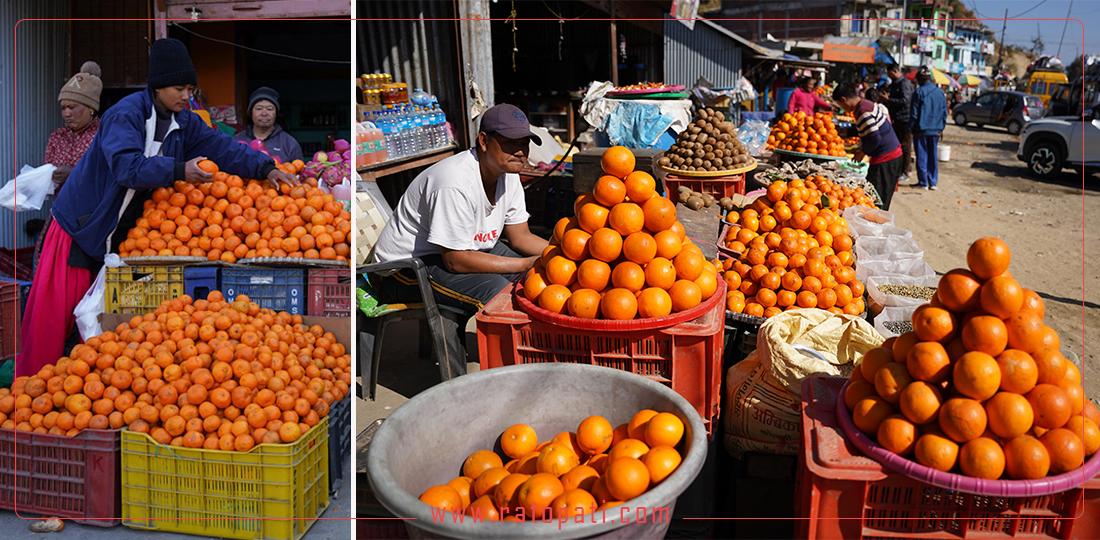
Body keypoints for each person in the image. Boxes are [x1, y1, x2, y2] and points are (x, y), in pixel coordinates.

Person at [16, 38, 298, 377]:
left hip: (117, 237)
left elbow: (223, 147)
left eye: (190, 89)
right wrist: (180, 170)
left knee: (95, 331)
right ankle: (30, 396)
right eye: (179, 87)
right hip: (79, 226)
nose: (185, 96)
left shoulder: (186, 120)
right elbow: (126, 167)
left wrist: (265, 168)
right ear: (158, 85)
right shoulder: (126, 114)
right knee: (51, 321)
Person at [371, 103, 549, 314]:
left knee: (533, 278)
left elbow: (521, 237)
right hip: (407, 268)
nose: (520, 152)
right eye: (510, 142)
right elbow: (455, 260)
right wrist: (522, 264)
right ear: (484, 141)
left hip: (466, 248)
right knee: (498, 293)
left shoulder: (508, 175)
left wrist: (559, 253)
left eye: (524, 143)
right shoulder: (454, 182)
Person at [33, 61, 103, 272]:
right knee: (49, 267)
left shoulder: (103, 134)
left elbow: (110, 175)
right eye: (63, 108)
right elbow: (48, 178)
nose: (66, 114)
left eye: (72, 107)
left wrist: (74, 173)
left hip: (92, 219)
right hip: (61, 217)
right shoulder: (57, 137)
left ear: (91, 108)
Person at [832, 83, 903, 210]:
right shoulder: (863, 104)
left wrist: (862, 152)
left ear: (844, 99)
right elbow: (864, 128)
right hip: (889, 155)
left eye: (840, 104)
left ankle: (878, 227)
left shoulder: (863, 111)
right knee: (875, 197)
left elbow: (874, 138)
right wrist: (845, 131)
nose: (841, 107)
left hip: (886, 158)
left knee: (877, 199)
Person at [234, 86, 303, 163]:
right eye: (259, 109)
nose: (264, 113)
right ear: (251, 112)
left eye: (269, 109)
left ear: (276, 113)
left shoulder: (289, 143)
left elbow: (298, 172)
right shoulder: (236, 141)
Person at [910, 67, 948, 190]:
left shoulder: (918, 93)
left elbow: (914, 114)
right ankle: (933, 182)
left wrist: (910, 128)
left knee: (921, 156)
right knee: (933, 156)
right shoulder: (940, 93)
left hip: (920, 131)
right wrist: (941, 128)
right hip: (936, 130)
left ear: (920, 79)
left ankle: (923, 182)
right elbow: (944, 113)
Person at [883, 64, 914, 184]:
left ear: (896, 71)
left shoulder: (904, 84)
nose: (890, 77)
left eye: (890, 74)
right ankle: (900, 169)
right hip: (896, 119)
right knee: (899, 146)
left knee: (905, 146)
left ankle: (905, 172)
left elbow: (905, 101)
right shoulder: (895, 84)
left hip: (904, 119)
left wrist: (888, 100)